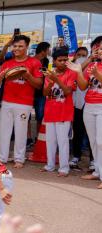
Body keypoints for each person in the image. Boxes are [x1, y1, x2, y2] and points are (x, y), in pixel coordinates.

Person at [0, 35, 43, 168]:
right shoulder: (7, 63)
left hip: (24, 103)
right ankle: (2, 157)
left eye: (20, 46)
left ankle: (19, 158)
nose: (17, 48)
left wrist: (27, 76)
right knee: (4, 130)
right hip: (7, 102)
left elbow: (39, 84)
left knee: (21, 132)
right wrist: (2, 75)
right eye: (15, 46)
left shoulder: (34, 63)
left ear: (27, 47)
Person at [67, 36, 102, 189]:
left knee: (101, 142)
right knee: (94, 142)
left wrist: (97, 74)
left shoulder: (95, 67)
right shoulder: (92, 64)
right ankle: (97, 172)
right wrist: (79, 72)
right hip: (89, 106)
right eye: (97, 47)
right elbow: (82, 86)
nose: (99, 50)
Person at [41, 49, 77, 177]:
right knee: (50, 141)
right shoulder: (49, 74)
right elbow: (44, 93)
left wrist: (56, 79)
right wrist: (51, 82)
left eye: (65, 60)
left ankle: (64, 168)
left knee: (63, 141)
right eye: (60, 60)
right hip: (50, 112)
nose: (63, 62)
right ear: (54, 61)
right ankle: (50, 165)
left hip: (64, 113)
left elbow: (67, 91)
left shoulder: (71, 73)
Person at [70, 47, 94, 171]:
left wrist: (90, 61)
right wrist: (87, 60)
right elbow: (75, 73)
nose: (81, 57)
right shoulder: (72, 66)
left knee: (92, 134)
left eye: (84, 55)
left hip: (91, 103)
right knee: (77, 132)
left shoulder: (93, 66)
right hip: (77, 104)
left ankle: (93, 160)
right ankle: (76, 156)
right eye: (79, 55)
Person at [32, 42, 51, 141]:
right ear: (43, 51)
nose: (49, 51)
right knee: (25, 118)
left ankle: (38, 138)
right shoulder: (31, 60)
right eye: (48, 49)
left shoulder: (46, 61)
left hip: (41, 93)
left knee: (40, 116)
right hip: (30, 92)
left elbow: (45, 73)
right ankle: (28, 138)